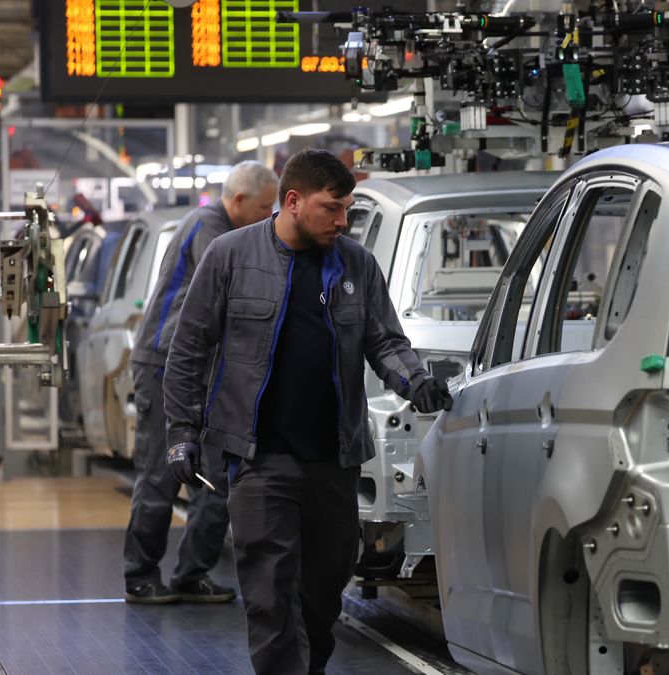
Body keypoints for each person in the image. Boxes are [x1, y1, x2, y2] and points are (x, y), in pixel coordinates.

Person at [162, 149, 453, 674]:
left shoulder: (356, 264)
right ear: (293, 202)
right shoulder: (230, 256)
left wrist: (416, 382)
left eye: (347, 210)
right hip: (258, 458)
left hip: (333, 460)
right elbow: (188, 349)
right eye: (333, 208)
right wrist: (182, 433)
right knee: (269, 593)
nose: (343, 221)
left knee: (324, 591)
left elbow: (384, 340)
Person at [123, 161, 279, 604]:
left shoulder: (232, 228)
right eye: (265, 207)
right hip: (164, 364)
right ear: (239, 201)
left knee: (215, 479)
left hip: (208, 372)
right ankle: (139, 574)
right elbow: (237, 286)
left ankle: (192, 573)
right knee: (160, 474)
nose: (270, 216)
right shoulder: (208, 228)